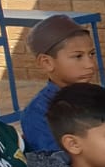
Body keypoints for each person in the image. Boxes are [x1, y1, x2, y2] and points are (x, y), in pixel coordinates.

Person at [20, 14, 98, 154]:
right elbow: (56, 164)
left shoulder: (100, 96)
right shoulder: (39, 114)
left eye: (92, 54)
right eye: (78, 56)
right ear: (47, 62)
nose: (90, 64)